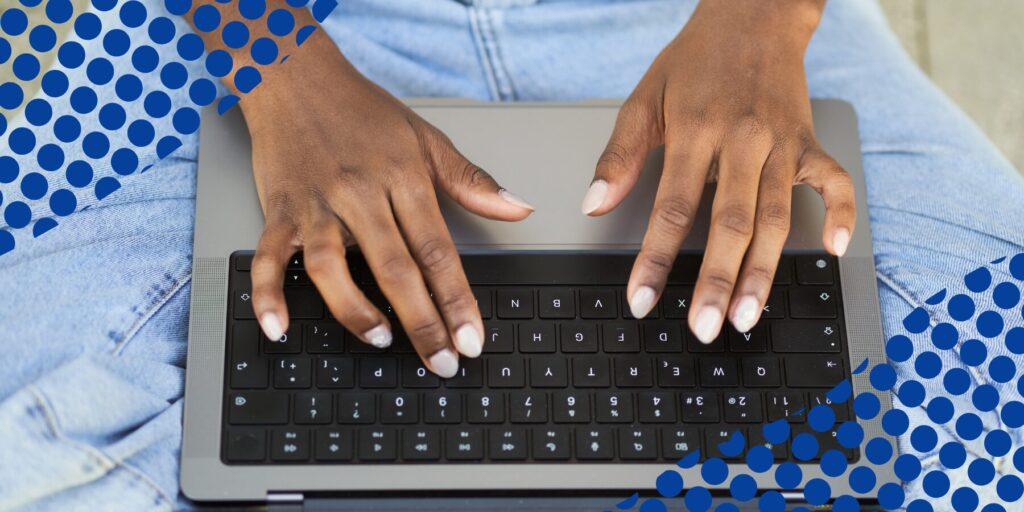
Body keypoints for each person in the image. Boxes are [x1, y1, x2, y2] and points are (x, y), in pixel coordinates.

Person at [1, 0, 1021, 509]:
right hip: (281, 32)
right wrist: (274, 63)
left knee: (990, 398)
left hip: (706, 22)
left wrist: (765, 22)